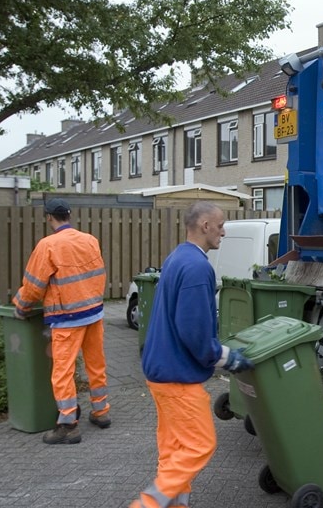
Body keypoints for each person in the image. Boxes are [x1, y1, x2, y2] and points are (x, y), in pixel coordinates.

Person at [132, 201, 253, 508]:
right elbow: (195, 332)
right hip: (178, 376)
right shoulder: (198, 267)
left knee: (175, 449)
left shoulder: (177, 257)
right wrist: (225, 357)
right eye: (221, 225)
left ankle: (175, 504)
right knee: (200, 444)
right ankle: (148, 504)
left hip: (160, 371)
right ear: (204, 226)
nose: (223, 231)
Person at [12, 197, 110, 445]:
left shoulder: (48, 246)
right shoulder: (90, 240)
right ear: (70, 215)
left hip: (67, 318)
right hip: (93, 313)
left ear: (49, 218)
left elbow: (33, 286)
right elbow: (98, 275)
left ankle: (68, 424)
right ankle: (101, 412)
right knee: (95, 364)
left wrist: (21, 307)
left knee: (63, 372)